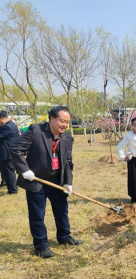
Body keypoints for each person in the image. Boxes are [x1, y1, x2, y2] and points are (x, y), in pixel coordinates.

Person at [10, 106, 83, 259]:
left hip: (57, 182)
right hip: (36, 180)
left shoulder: (68, 138)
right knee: (37, 215)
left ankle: (64, 236)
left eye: (67, 122)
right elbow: (15, 148)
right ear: (52, 118)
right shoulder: (36, 131)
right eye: (62, 121)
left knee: (62, 210)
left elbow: (68, 162)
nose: (65, 125)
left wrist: (68, 182)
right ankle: (41, 246)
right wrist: (24, 170)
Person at [0, 111, 19, 194]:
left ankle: (12, 190)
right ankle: (10, 187)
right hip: (8, 152)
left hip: (6, 153)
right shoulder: (11, 124)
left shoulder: (7, 127)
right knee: (7, 171)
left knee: (9, 172)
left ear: (2, 118)